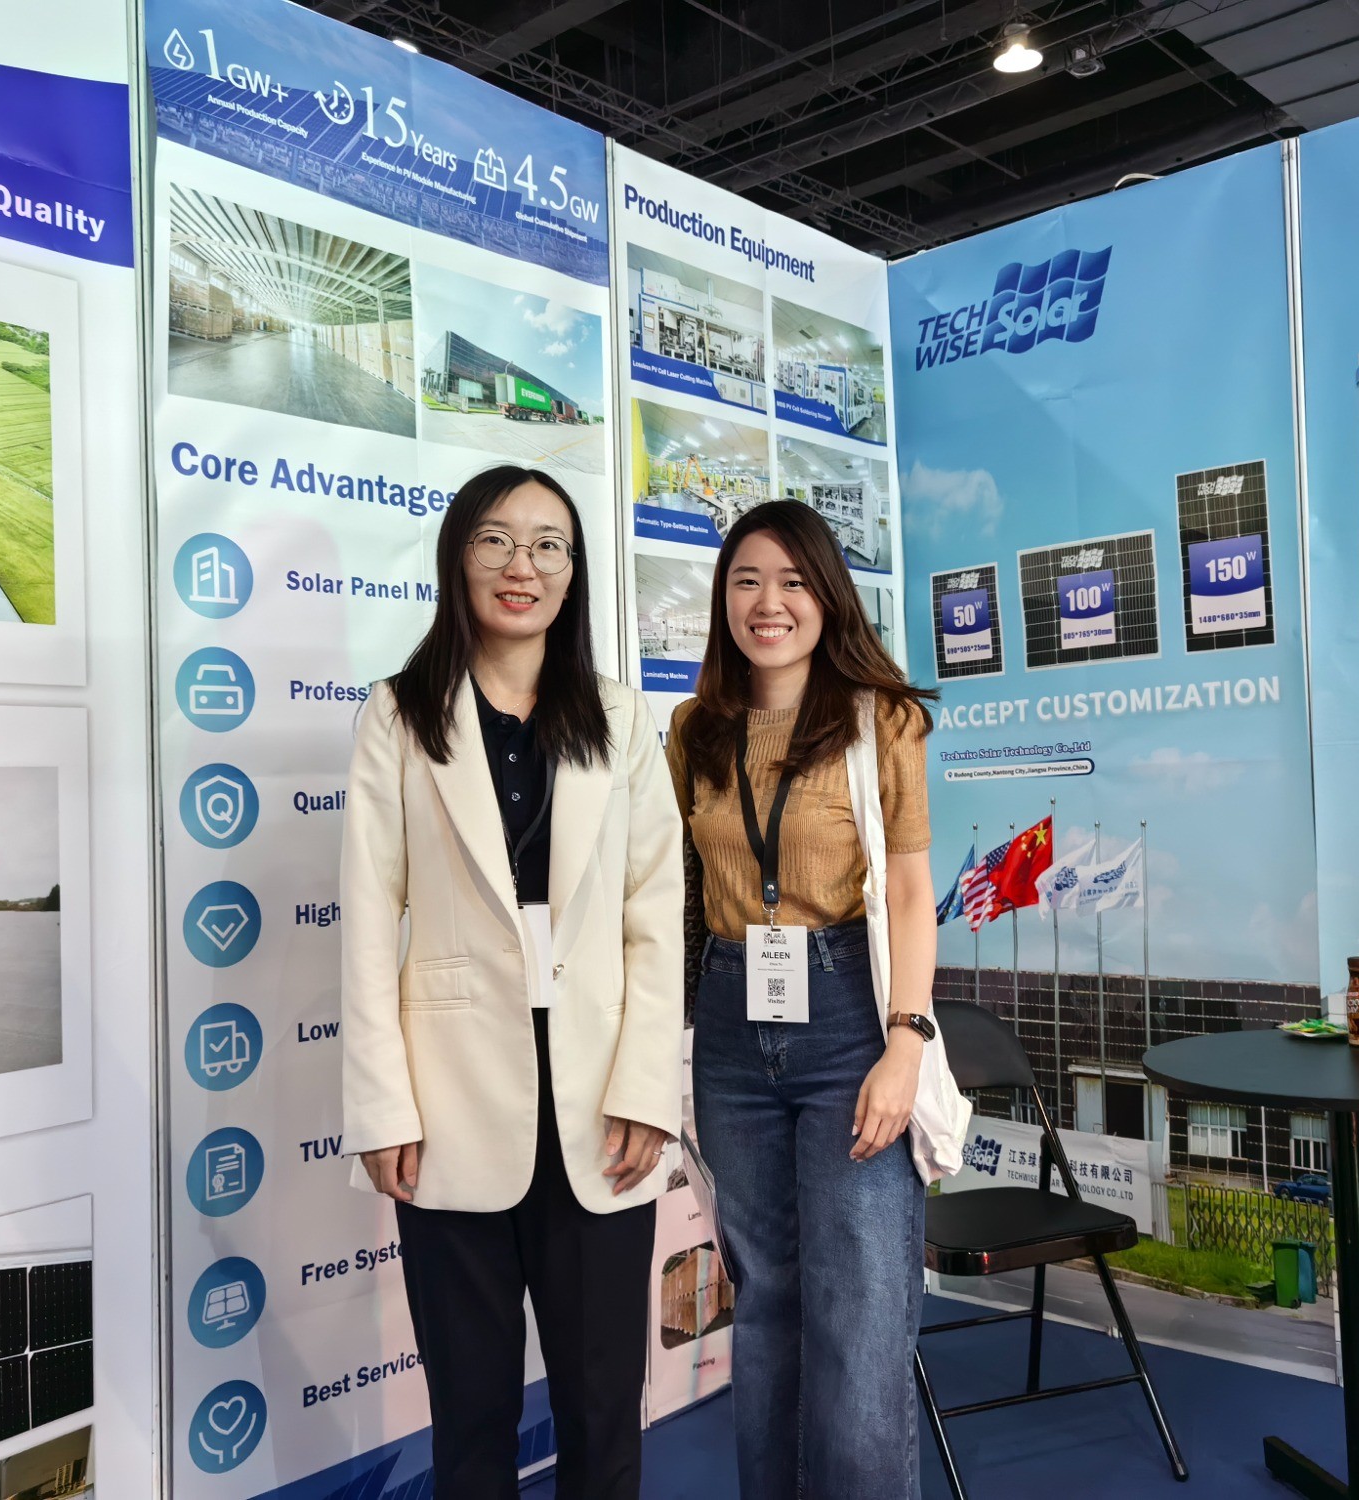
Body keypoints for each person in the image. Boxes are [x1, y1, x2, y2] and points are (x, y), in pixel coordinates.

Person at [341, 464, 683, 1499]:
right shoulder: (399, 714)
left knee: (601, 1412)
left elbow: (654, 914)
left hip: (599, 1106)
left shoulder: (619, 718)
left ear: (573, 574)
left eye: (546, 544)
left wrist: (646, 1089)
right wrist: (381, 1105)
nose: (519, 565)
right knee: (472, 1419)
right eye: (495, 539)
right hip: (449, 1101)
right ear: (458, 557)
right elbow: (367, 921)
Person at [667, 500, 940, 1498]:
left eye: (791, 582)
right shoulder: (693, 731)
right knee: (767, 1299)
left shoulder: (880, 720)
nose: (767, 603)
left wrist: (905, 1043)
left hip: (849, 1024)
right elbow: (683, 890)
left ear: (827, 597)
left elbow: (908, 888)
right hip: (729, 1023)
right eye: (745, 581)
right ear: (722, 601)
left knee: (859, 1309)